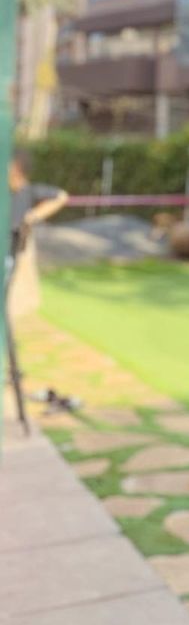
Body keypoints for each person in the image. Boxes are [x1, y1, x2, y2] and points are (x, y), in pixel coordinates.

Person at [6, 151, 69, 428]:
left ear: (17, 169)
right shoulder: (6, 194)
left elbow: (61, 196)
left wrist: (32, 216)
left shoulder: (27, 193)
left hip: (13, 258)